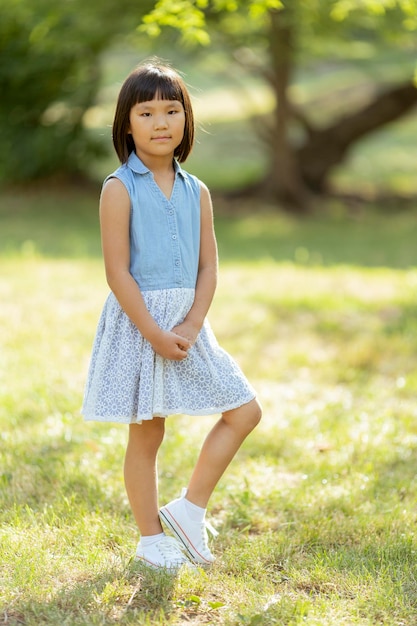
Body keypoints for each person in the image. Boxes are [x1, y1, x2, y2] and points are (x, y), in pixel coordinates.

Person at [82, 59, 262, 571]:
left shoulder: (196, 190)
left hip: (188, 324)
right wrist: (155, 333)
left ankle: (189, 509)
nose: (161, 122)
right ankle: (150, 540)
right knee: (148, 432)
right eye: (146, 112)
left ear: (186, 119)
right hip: (141, 323)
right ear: (126, 123)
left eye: (171, 110)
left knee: (244, 411)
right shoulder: (119, 188)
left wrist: (189, 324)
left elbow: (209, 267)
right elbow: (118, 273)